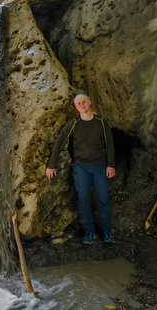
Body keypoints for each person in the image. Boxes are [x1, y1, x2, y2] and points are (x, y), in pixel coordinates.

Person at [46, 93, 116, 244]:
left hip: (100, 166)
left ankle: (107, 232)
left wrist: (111, 165)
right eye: (79, 103)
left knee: (103, 198)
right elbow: (59, 143)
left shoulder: (101, 121)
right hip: (81, 167)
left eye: (84, 101)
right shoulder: (73, 124)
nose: (82, 104)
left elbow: (110, 143)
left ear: (89, 103)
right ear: (76, 107)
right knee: (83, 199)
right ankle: (89, 232)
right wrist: (51, 166)